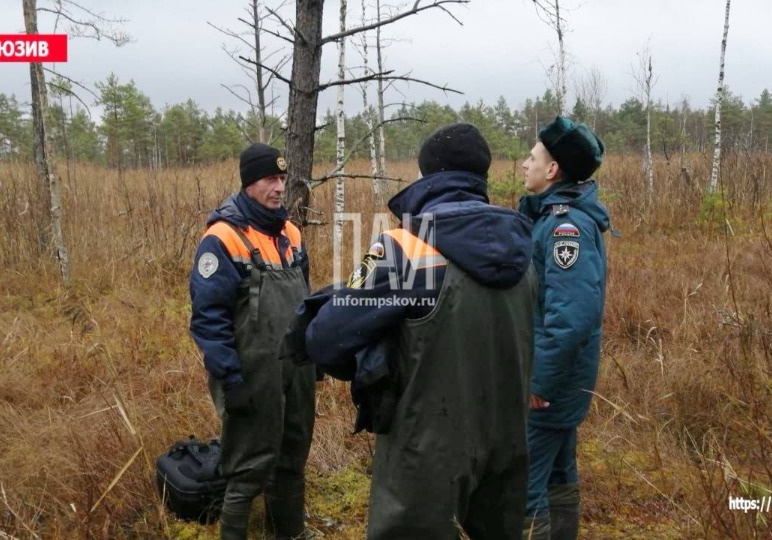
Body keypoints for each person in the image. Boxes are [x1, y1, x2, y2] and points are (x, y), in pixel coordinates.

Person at [305, 123, 537, 539]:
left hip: (427, 447)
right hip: (510, 437)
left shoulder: (406, 246)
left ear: (428, 175)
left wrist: (366, 359)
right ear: (481, 176)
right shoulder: (522, 248)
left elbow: (325, 339)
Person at [189, 143, 314, 540]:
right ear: (248, 184)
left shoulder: (291, 233)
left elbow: (304, 300)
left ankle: (290, 534)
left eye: (282, 178)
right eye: (269, 180)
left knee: (293, 457)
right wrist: (231, 379)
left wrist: (314, 354)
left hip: (295, 368)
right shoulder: (222, 238)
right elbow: (209, 320)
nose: (279, 188)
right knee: (247, 469)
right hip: (250, 373)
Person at [518, 116, 610, 540]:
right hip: (562, 383)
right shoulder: (552, 218)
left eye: (533, 157)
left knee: (526, 487)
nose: (525, 163)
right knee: (558, 472)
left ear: (552, 170)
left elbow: (571, 316)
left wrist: (540, 381)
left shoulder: (564, 226)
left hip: (550, 386)